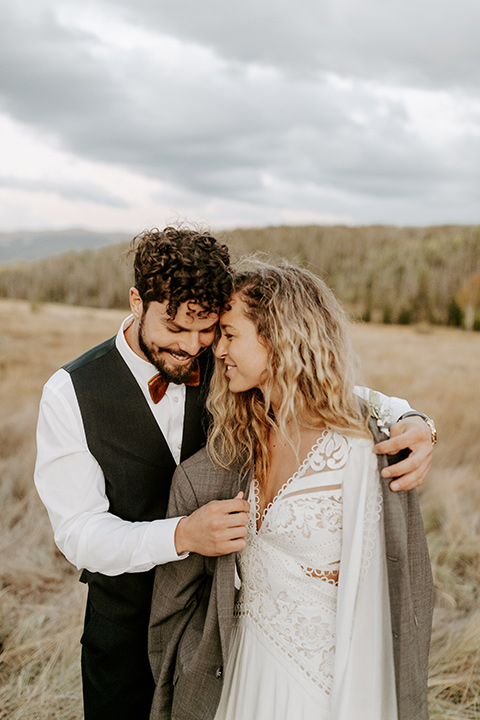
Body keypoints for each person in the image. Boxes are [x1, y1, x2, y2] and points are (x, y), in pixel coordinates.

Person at [148, 258, 435, 720]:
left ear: (278, 335)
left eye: (228, 333)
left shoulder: (361, 452)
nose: (216, 350)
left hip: (322, 688)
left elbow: (380, 603)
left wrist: (419, 423)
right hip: (238, 673)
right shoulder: (237, 447)